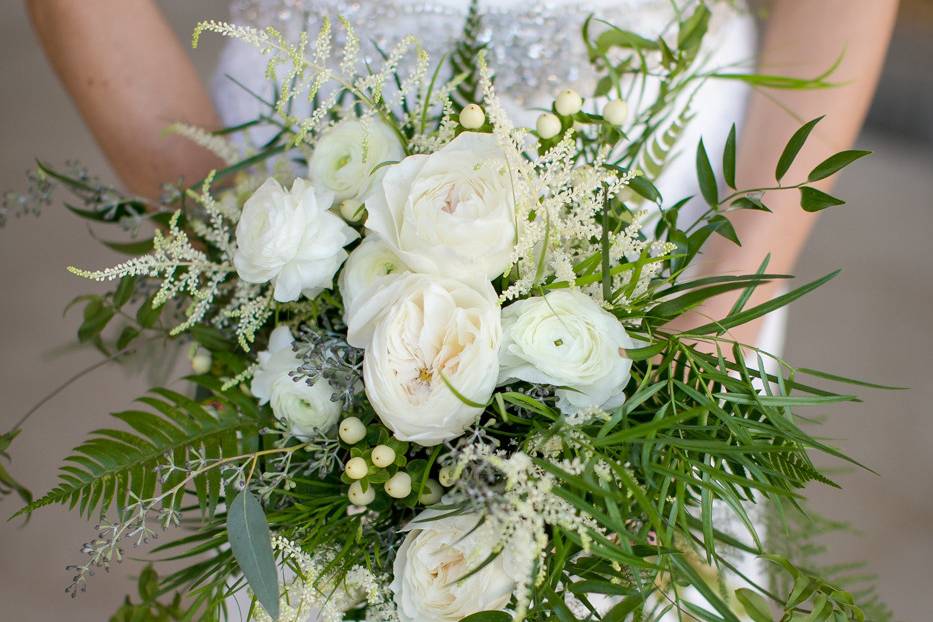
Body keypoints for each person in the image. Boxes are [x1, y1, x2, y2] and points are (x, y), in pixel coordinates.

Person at [25, 0, 898, 616]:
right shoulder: (270, 232)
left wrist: (722, 302)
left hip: (668, 202)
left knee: (638, 581)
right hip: (307, 161)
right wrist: (249, 247)